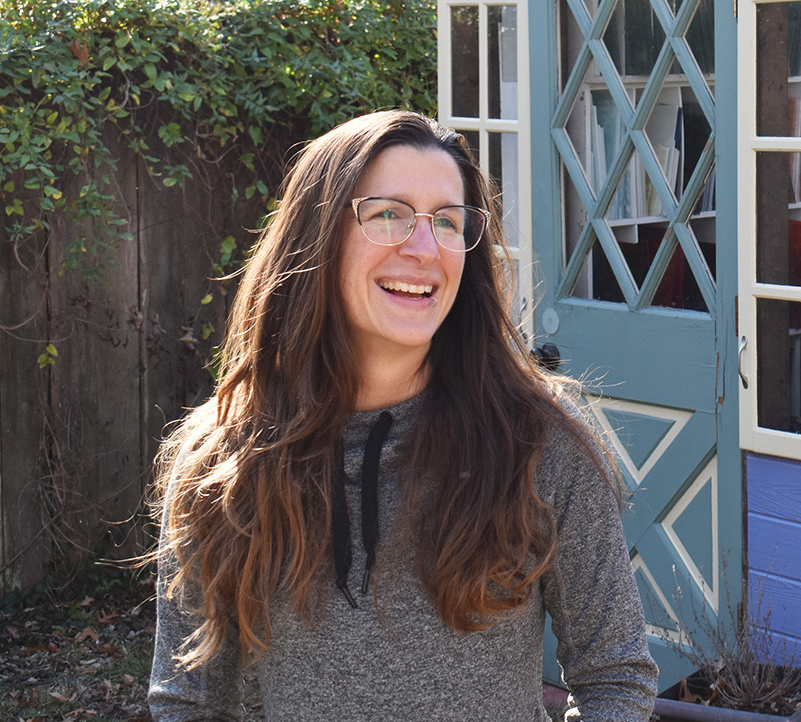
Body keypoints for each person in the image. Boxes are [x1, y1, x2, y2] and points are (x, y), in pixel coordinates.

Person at [149, 110, 657, 721]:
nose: (423, 248)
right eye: (389, 213)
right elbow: (188, 700)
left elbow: (616, 677)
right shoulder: (224, 462)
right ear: (319, 235)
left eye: (447, 221)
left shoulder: (536, 442)